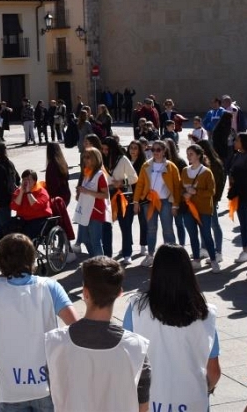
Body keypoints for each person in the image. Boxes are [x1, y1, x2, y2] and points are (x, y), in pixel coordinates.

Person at [0, 233, 78, 411]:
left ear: (1, 260)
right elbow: (76, 328)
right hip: (47, 383)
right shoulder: (49, 287)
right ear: (32, 258)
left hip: (10, 386)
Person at [45, 257, 150, 412]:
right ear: (120, 293)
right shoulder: (137, 348)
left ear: (85, 292)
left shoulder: (54, 342)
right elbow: (143, 407)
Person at [123, 244, 220, 410]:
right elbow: (214, 372)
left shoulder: (136, 308)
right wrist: (207, 388)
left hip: (148, 402)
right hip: (192, 402)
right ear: (189, 273)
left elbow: (125, 360)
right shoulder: (205, 313)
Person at [133, 139, 181, 267]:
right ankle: (150, 255)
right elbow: (140, 184)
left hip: (165, 201)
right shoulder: (146, 165)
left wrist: (175, 204)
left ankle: (171, 256)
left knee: (168, 230)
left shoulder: (171, 166)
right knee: (151, 229)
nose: (155, 152)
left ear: (164, 151)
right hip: (149, 202)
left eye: (158, 150)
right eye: (153, 150)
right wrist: (136, 201)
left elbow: (177, 187)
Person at [180, 145, 219, 273]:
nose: (188, 156)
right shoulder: (185, 170)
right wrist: (184, 194)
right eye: (187, 153)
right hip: (188, 209)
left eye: (191, 153)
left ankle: (213, 260)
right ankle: (196, 260)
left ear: (198, 155)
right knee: (192, 235)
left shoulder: (207, 172)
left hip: (204, 209)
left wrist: (195, 191)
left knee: (206, 234)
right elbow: (181, 188)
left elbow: (211, 192)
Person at [102, 137, 138, 265]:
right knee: (106, 226)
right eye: (103, 149)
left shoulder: (122, 159)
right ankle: (107, 255)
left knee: (125, 225)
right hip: (106, 196)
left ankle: (127, 253)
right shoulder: (101, 160)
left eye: (107, 149)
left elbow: (134, 177)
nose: (104, 151)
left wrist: (122, 182)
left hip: (122, 195)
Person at [73, 147, 110, 257]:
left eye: (88, 157)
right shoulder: (87, 173)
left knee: (95, 241)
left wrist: (87, 191)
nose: (85, 159)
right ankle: (95, 259)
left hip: (96, 212)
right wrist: (80, 193)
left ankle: (101, 265)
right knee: (84, 237)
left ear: (95, 159)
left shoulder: (100, 175)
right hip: (85, 211)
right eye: (84, 157)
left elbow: (105, 195)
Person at [198, 139, 225, 263]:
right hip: (201, 199)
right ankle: (204, 248)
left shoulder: (215, 163)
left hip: (211, 199)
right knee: (203, 225)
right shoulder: (201, 163)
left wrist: (216, 198)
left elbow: (220, 183)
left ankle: (218, 252)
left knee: (214, 225)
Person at [227, 132, 247, 263]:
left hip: (244, 194)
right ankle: (245, 250)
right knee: (243, 224)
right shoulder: (237, 155)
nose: (235, 142)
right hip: (238, 195)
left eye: (237, 141)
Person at [126, 140, 148, 256]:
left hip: (141, 198)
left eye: (135, 148)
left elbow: (141, 183)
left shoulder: (143, 164)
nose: (133, 150)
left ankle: (143, 245)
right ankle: (127, 244)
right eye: (131, 148)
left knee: (143, 222)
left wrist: (138, 201)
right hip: (127, 197)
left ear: (140, 150)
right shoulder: (125, 161)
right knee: (127, 223)